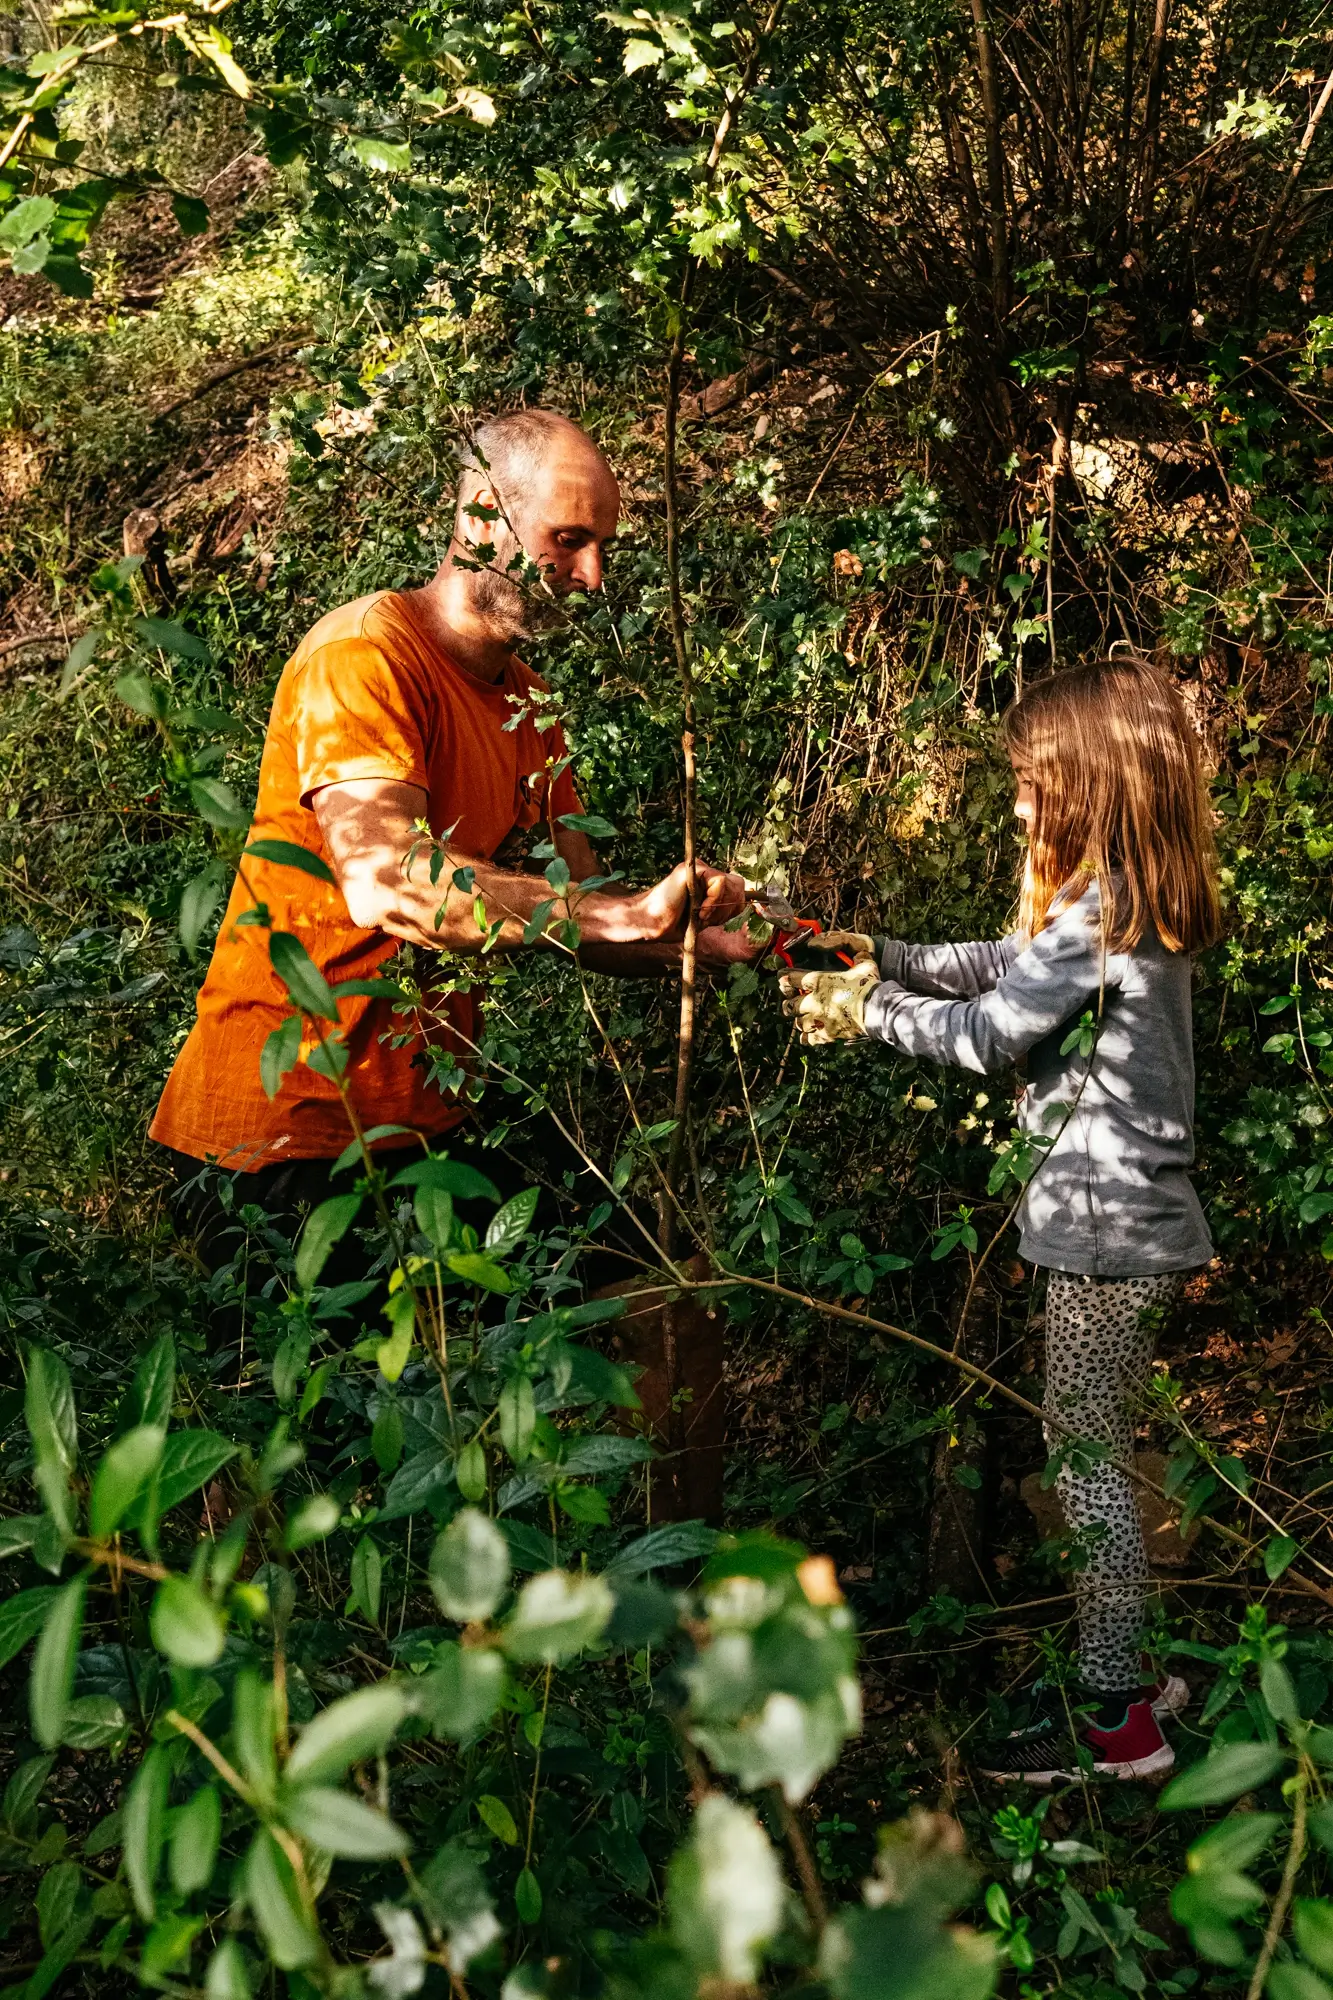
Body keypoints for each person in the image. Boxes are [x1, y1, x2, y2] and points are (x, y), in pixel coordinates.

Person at [151, 408, 752, 1514]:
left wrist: (686, 928)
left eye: (604, 544)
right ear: (483, 516)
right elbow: (394, 881)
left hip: (428, 1123)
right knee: (357, 1478)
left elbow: (588, 904)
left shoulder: (526, 700)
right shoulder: (362, 657)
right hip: (279, 1139)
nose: (595, 574)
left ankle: (676, 1609)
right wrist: (613, 918)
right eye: (570, 539)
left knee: (664, 1285)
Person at [781, 656, 1221, 1782]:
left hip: (1105, 1229)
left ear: (1090, 778)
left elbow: (987, 1032)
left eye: (1030, 779)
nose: (1018, 800)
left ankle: (1118, 1719)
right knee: (1097, 1456)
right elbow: (1002, 969)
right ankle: (1139, 1674)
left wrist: (860, 1006)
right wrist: (869, 951)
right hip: (1128, 1223)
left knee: (1081, 1465)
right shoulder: (1112, 898)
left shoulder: (1106, 902)